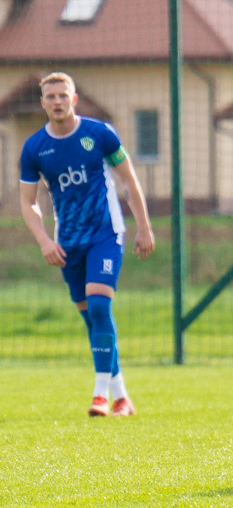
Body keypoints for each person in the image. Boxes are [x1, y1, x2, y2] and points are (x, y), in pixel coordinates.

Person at [19, 72, 155, 417]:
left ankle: (99, 394)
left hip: (105, 235)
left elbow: (129, 181)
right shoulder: (35, 147)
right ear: (43, 104)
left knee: (98, 307)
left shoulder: (100, 134)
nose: (58, 102)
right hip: (68, 243)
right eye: (51, 97)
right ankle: (121, 395)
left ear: (74, 99)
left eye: (63, 95)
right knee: (93, 320)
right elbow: (28, 202)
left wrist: (144, 228)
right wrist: (43, 240)